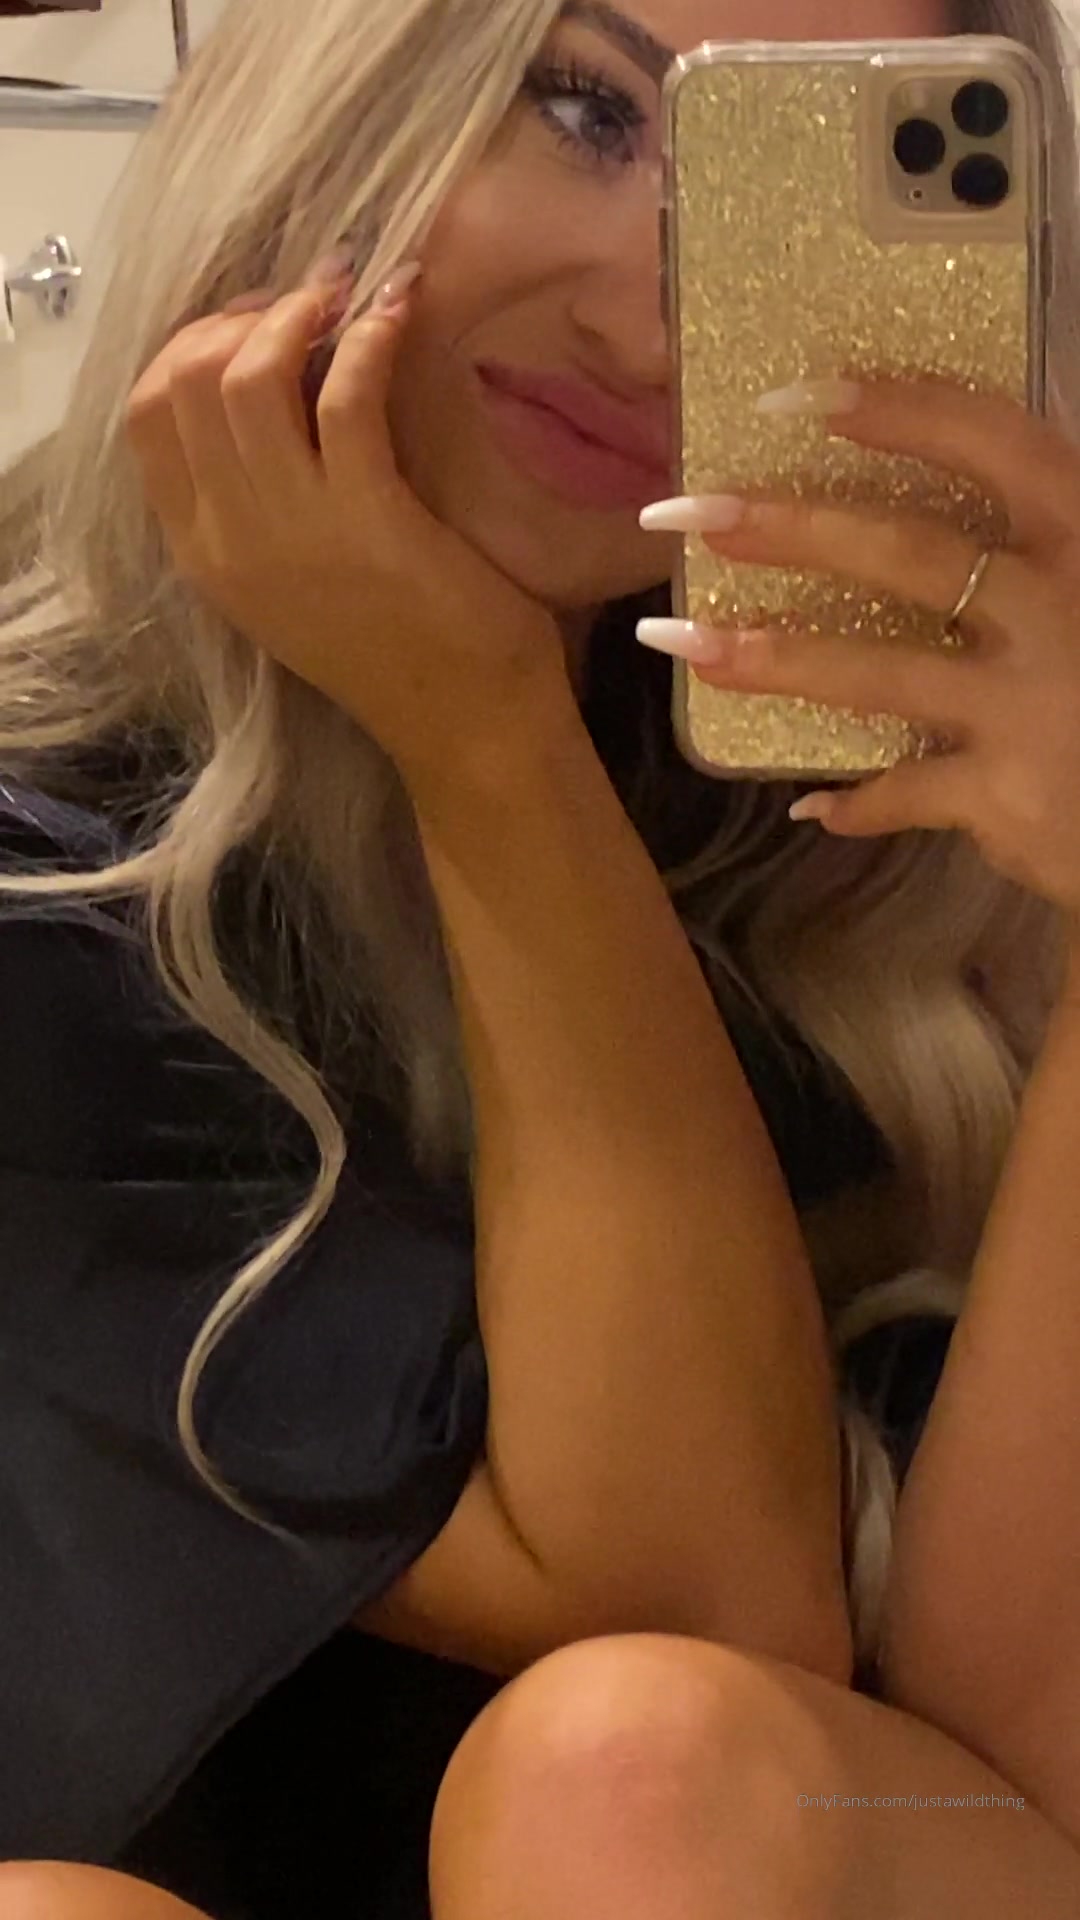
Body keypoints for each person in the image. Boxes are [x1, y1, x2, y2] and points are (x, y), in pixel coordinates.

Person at [2, 0, 1080, 1912]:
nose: (657, 331)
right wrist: (486, 738)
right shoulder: (57, 869)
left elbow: (987, 1775)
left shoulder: (920, 828)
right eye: (585, 111)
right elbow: (703, 1591)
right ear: (339, 93)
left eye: (780, 192)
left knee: (633, 1781)